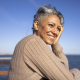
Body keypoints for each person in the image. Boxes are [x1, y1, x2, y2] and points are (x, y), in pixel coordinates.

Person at [8, 5, 80, 80]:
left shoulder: (29, 41)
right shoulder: (33, 42)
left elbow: (64, 71)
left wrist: (55, 44)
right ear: (36, 25)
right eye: (51, 25)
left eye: (58, 29)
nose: (55, 32)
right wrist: (76, 71)